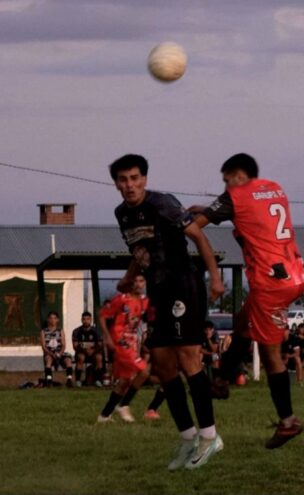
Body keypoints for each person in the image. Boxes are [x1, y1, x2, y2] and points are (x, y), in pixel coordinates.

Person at [109, 154, 225, 470]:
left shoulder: (163, 204)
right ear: (116, 184)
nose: (130, 185)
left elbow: (198, 236)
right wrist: (129, 277)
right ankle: (188, 438)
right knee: (161, 363)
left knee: (188, 358)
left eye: (135, 178)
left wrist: (215, 277)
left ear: (144, 179)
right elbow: (141, 250)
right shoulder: (122, 214)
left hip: (183, 283)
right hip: (157, 289)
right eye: (123, 179)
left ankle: (210, 437)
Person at [194, 153, 304, 449]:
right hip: (293, 273)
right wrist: (210, 209)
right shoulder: (274, 188)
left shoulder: (236, 195)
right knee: (243, 322)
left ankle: (288, 421)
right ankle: (221, 380)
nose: (225, 185)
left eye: (227, 179)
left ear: (239, 176)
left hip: (270, 282)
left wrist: (192, 218)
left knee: (270, 355)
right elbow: (250, 213)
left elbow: (197, 225)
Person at [96, 274, 151, 423]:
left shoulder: (145, 301)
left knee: (124, 381)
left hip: (132, 342)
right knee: (144, 371)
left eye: (141, 281)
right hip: (120, 340)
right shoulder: (121, 299)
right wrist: (107, 337)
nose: (138, 284)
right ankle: (124, 404)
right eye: (135, 281)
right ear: (130, 284)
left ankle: (104, 415)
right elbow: (102, 316)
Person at [40, 311, 74, 388]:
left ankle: (69, 380)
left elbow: (63, 345)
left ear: (57, 320)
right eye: (51, 318)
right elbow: (44, 346)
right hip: (49, 352)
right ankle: (49, 380)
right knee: (48, 360)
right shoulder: (43, 331)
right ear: (48, 320)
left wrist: (60, 353)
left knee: (68, 360)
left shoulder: (60, 331)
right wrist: (51, 354)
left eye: (54, 318)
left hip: (59, 352)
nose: (53, 320)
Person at [72, 311, 105, 387]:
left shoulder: (96, 331)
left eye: (88, 319)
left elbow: (100, 345)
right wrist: (85, 350)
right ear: (81, 320)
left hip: (94, 352)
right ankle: (78, 380)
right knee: (81, 357)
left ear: (91, 320)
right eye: (84, 319)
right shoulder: (76, 331)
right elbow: (75, 346)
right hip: (82, 352)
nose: (86, 321)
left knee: (99, 357)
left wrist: (93, 350)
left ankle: (98, 380)